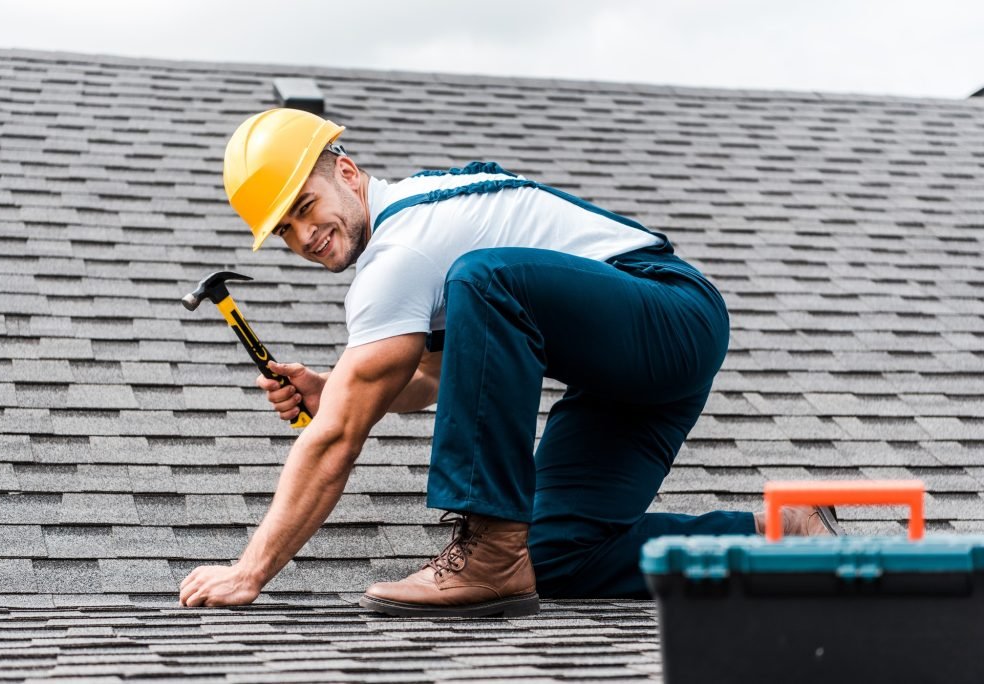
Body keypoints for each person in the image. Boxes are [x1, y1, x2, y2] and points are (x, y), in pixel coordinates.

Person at [177, 108, 839, 616]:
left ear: (347, 174)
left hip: (672, 312)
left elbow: (337, 438)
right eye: (284, 232)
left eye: (305, 208)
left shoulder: (403, 251)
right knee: (558, 554)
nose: (304, 237)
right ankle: (782, 539)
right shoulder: (418, 234)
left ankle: (488, 547)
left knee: (484, 277)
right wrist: (331, 387)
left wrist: (250, 570)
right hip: (627, 370)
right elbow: (433, 377)